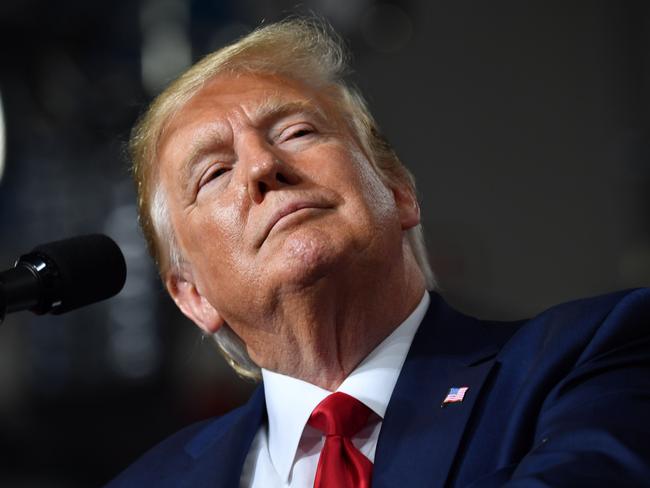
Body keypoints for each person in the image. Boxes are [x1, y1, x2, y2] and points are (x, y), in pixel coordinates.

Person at [107, 18, 650, 488]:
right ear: (193, 294)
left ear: (397, 190)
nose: (260, 167)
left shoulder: (589, 358)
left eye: (297, 132)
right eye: (215, 172)